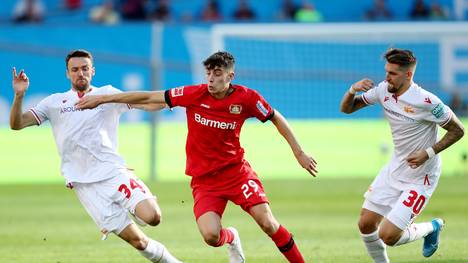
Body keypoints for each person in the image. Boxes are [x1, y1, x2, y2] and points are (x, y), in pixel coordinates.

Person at [76, 51, 318, 263]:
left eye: (218, 74)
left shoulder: (247, 98)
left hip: (237, 174)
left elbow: (275, 116)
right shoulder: (194, 94)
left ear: (230, 76)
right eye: (209, 73)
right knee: (211, 236)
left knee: (267, 223)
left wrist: (299, 152)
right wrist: (104, 98)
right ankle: (232, 238)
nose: (211, 79)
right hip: (205, 181)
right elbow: (150, 97)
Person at [10, 49, 182, 263]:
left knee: (153, 217)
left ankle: (135, 208)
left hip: (113, 173)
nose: (80, 73)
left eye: (84, 68)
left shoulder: (107, 94)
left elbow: (149, 104)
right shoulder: (54, 102)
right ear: (67, 74)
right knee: (139, 242)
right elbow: (17, 124)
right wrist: (19, 96)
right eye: (75, 70)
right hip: (85, 185)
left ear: (93, 71)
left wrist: (171, 100)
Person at [340, 48, 465, 262]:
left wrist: (428, 153)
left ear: (408, 75)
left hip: (422, 176)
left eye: (392, 73)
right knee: (365, 224)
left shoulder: (427, 101)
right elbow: (347, 108)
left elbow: (458, 130)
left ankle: (431, 227)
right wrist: (353, 89)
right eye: (386, 71)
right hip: (395, 168)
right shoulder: (383, 91)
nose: (386, 77)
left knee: (388, 235)